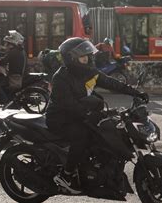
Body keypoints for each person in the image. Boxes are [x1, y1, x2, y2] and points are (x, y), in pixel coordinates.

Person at [46, 37, 148, 193]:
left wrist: (136, 93)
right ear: (71, 58)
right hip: (60, 119)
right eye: (82, 56)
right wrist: (89, 112)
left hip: (81, 113)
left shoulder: (90, 72)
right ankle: (66, 175)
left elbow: (112, 83)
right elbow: (69, 105)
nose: (86, 59)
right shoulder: (61, 78)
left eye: (87, 55)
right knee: (82, 135)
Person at [0, 30, 27, 104]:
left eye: (7, 43)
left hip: (14, 76)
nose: (6, 45)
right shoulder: (18, 50)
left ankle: (5, 102)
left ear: (12, 43)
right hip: (16, 74)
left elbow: (4, 61)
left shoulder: (14, 52)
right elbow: (6, 60)